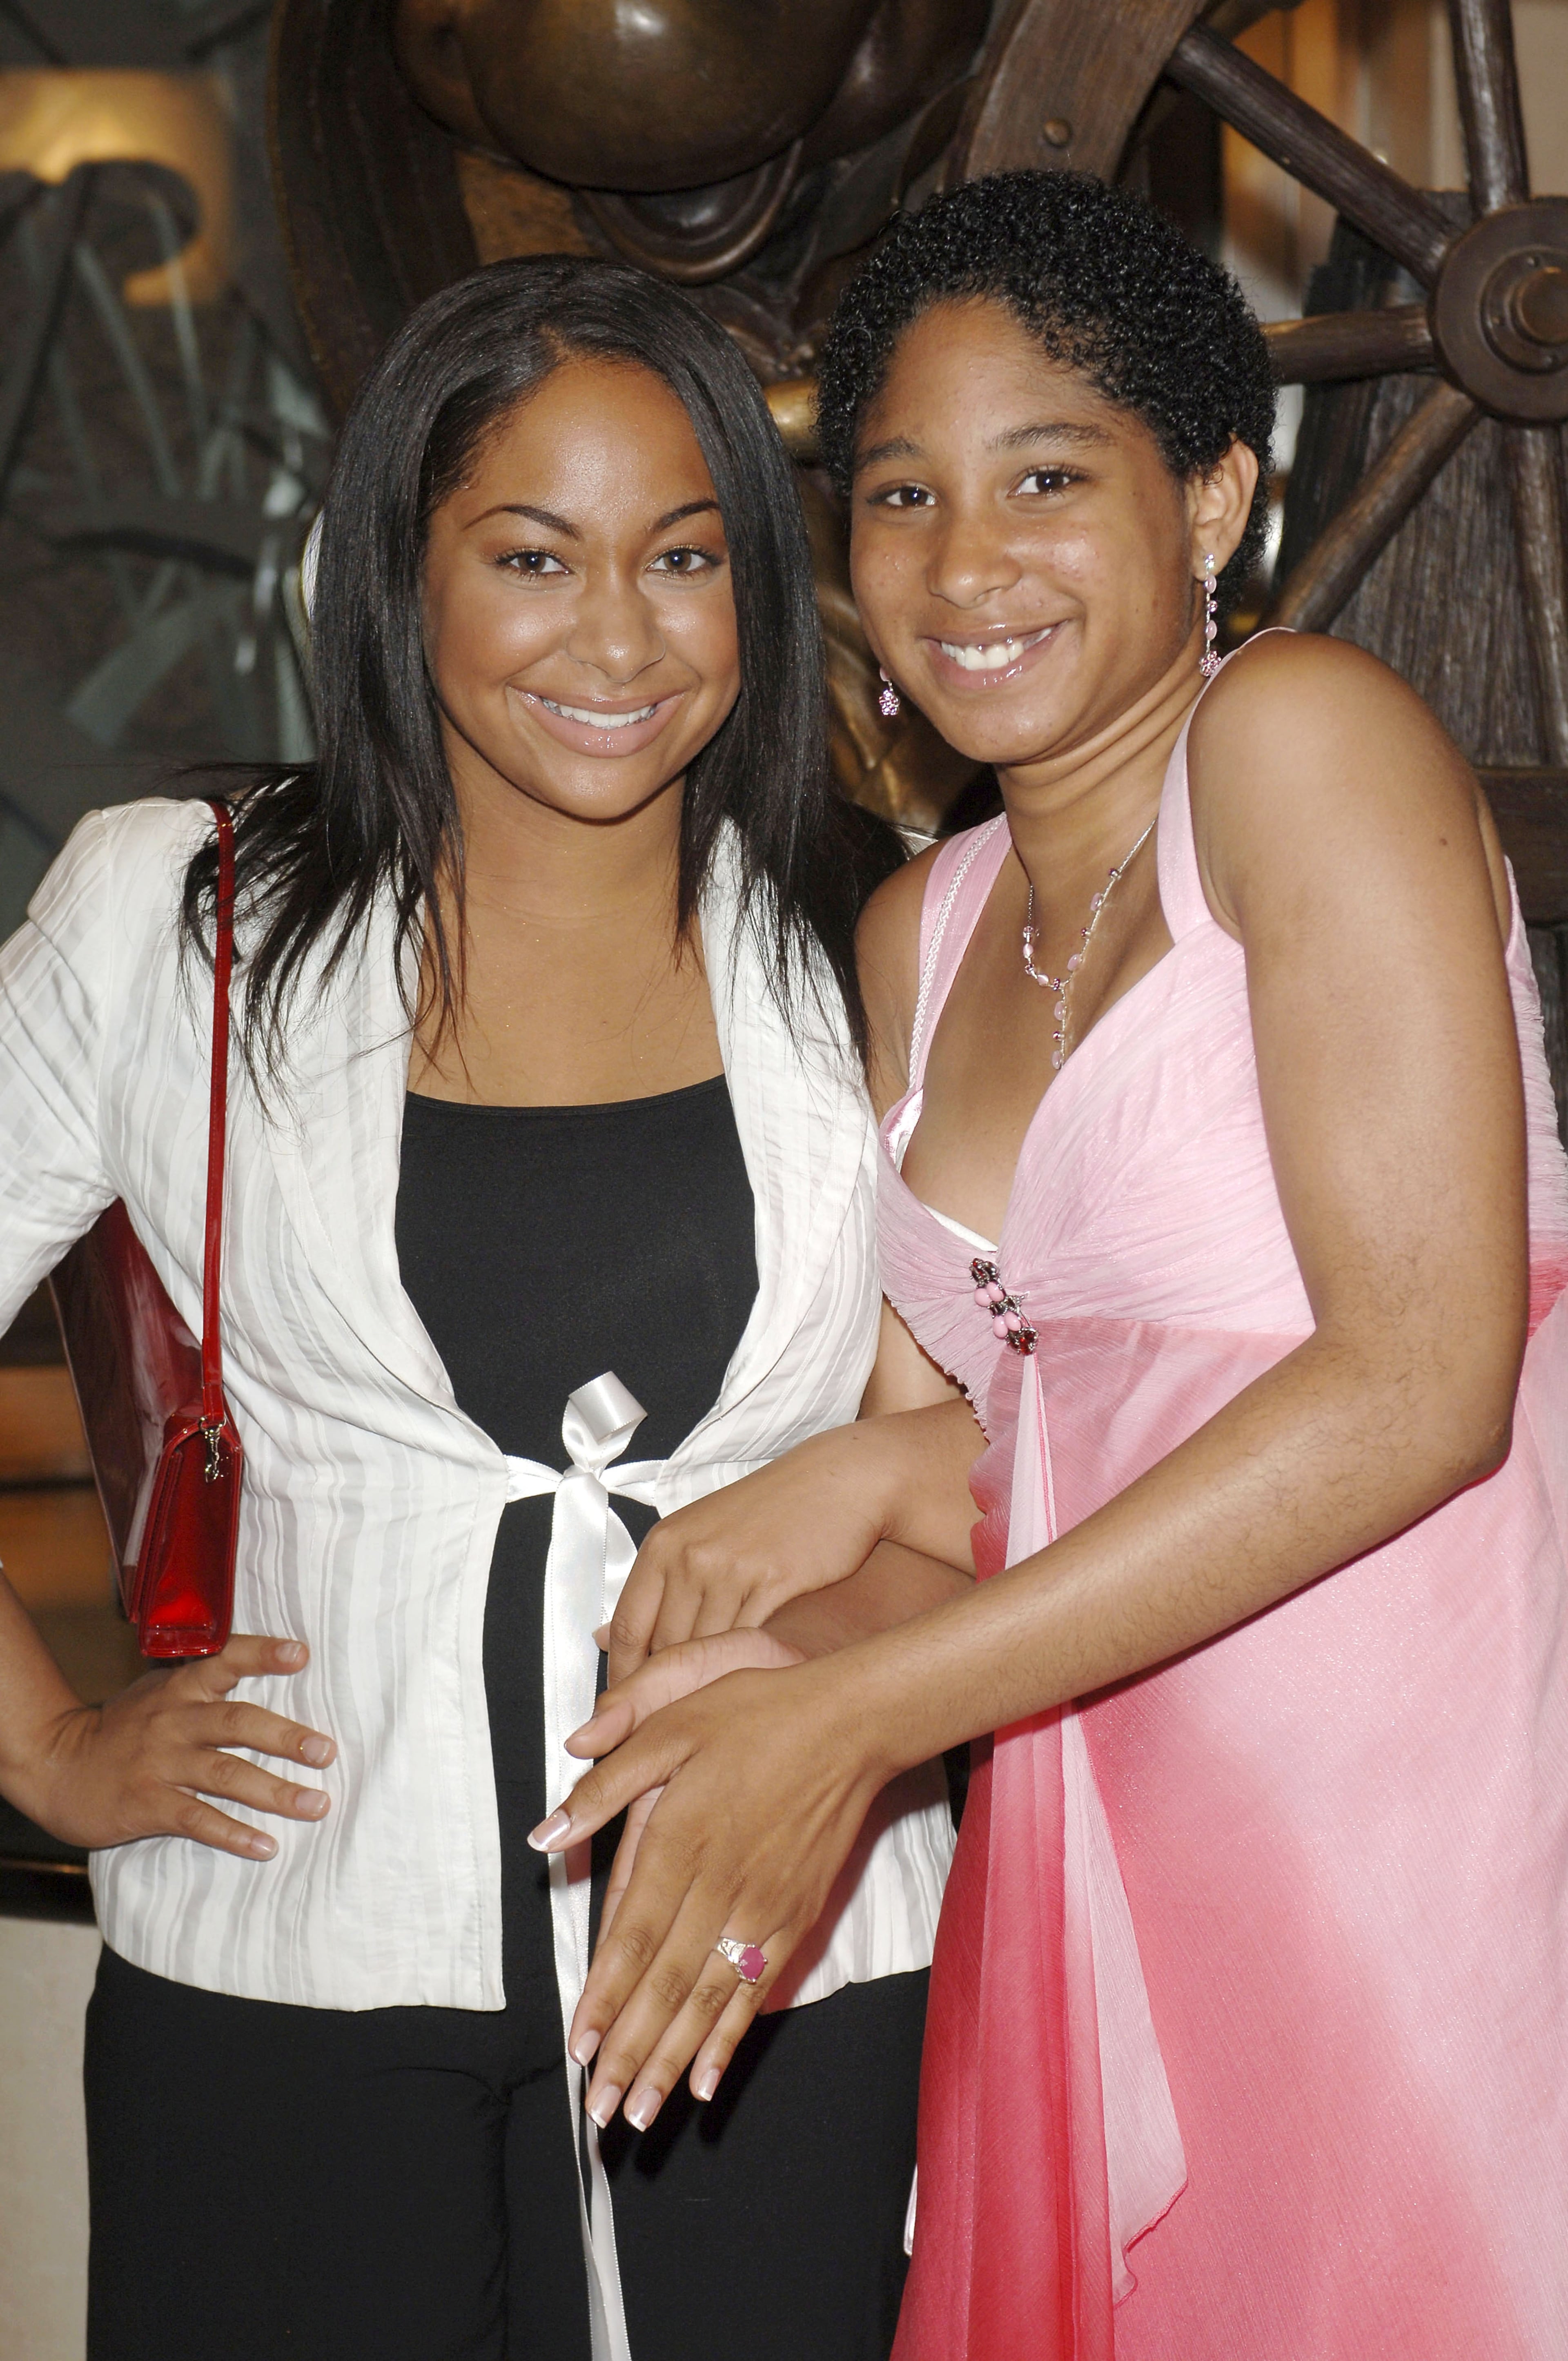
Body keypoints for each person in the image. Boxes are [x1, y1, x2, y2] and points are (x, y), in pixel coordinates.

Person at [537, 173, 1568, 2358]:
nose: (962, 559)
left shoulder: (1302, 749)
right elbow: (974, 1475)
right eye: (898, 491)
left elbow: (1420, 1379)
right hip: (1102, 1836)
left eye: (1045, 477)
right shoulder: (922, 929)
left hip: (1423, 1824)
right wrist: (770, 1660)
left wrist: (860, 1711)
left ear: (1213, 497)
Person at [0, 254, 963, 2361]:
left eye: (685, 557)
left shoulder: (879, 941)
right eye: (532, 555)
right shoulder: (185, 919)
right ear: (390, 575)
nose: (617, 638)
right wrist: (50, 1750)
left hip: (783, 1969)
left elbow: (1035, 1427)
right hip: (297, 1963)